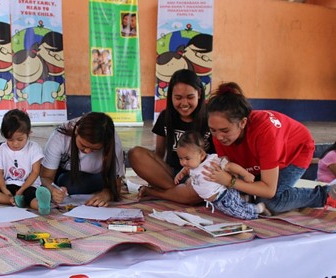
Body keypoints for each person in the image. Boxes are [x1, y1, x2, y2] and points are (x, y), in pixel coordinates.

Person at [205, 82, 336, 214]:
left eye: (225, 130)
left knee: (271, 203)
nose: (219, 137)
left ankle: (325, 194)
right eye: (213, 130)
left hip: (296, 151)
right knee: (235, 196)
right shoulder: (220, 133)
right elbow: (228, 168)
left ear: (243, 123)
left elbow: (268, 190)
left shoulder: (265, 133)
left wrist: (230, 181)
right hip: (261, 155)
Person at [128, 69, 213, 204]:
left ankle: (158, 193)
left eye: (190, 97)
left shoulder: (211, 118)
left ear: (199, 94)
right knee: (135, 153)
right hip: (171, 174)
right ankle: (179, 193)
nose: (184, 103)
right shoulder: (165, 116)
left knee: (195, 193)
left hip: (198, 177)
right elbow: (160, 153)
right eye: (178, 98)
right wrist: (153, 175)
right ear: (170, 96)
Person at [175, 131, 269, 219]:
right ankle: (244, 199)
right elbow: (186, 168)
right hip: (215, 200)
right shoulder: (191, 165)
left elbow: (230, 166)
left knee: (236, 211)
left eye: (187, 159)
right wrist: (181, 173)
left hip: (222, 196)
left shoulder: (212, 161)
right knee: (231, 207)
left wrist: (245, 174)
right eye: (180, 158)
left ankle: (257, 209)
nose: (183, 162)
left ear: (202, 155)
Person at [40, 112, 125, 207]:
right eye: (83, 145)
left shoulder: (113, 144)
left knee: (71, 184)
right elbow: (45, 177)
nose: (87, 151)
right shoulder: (60, 136)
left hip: (97, 176)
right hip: (66, 174)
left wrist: (107, 194)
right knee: (65, 182)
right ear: (76, 131)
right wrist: (52, 189)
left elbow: (116, 185)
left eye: (94, 149)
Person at [0, 109, 51, 214]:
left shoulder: (34, 148)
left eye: (20, 139)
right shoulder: (2, 148)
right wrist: (3, 189)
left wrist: (22, 189)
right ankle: (11, 200)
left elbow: (35, 172)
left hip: (28, 186)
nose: (15, 144)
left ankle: (41, 206)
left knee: (31, 195)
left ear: (29, 133)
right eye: (10, 140)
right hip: (8, 186)